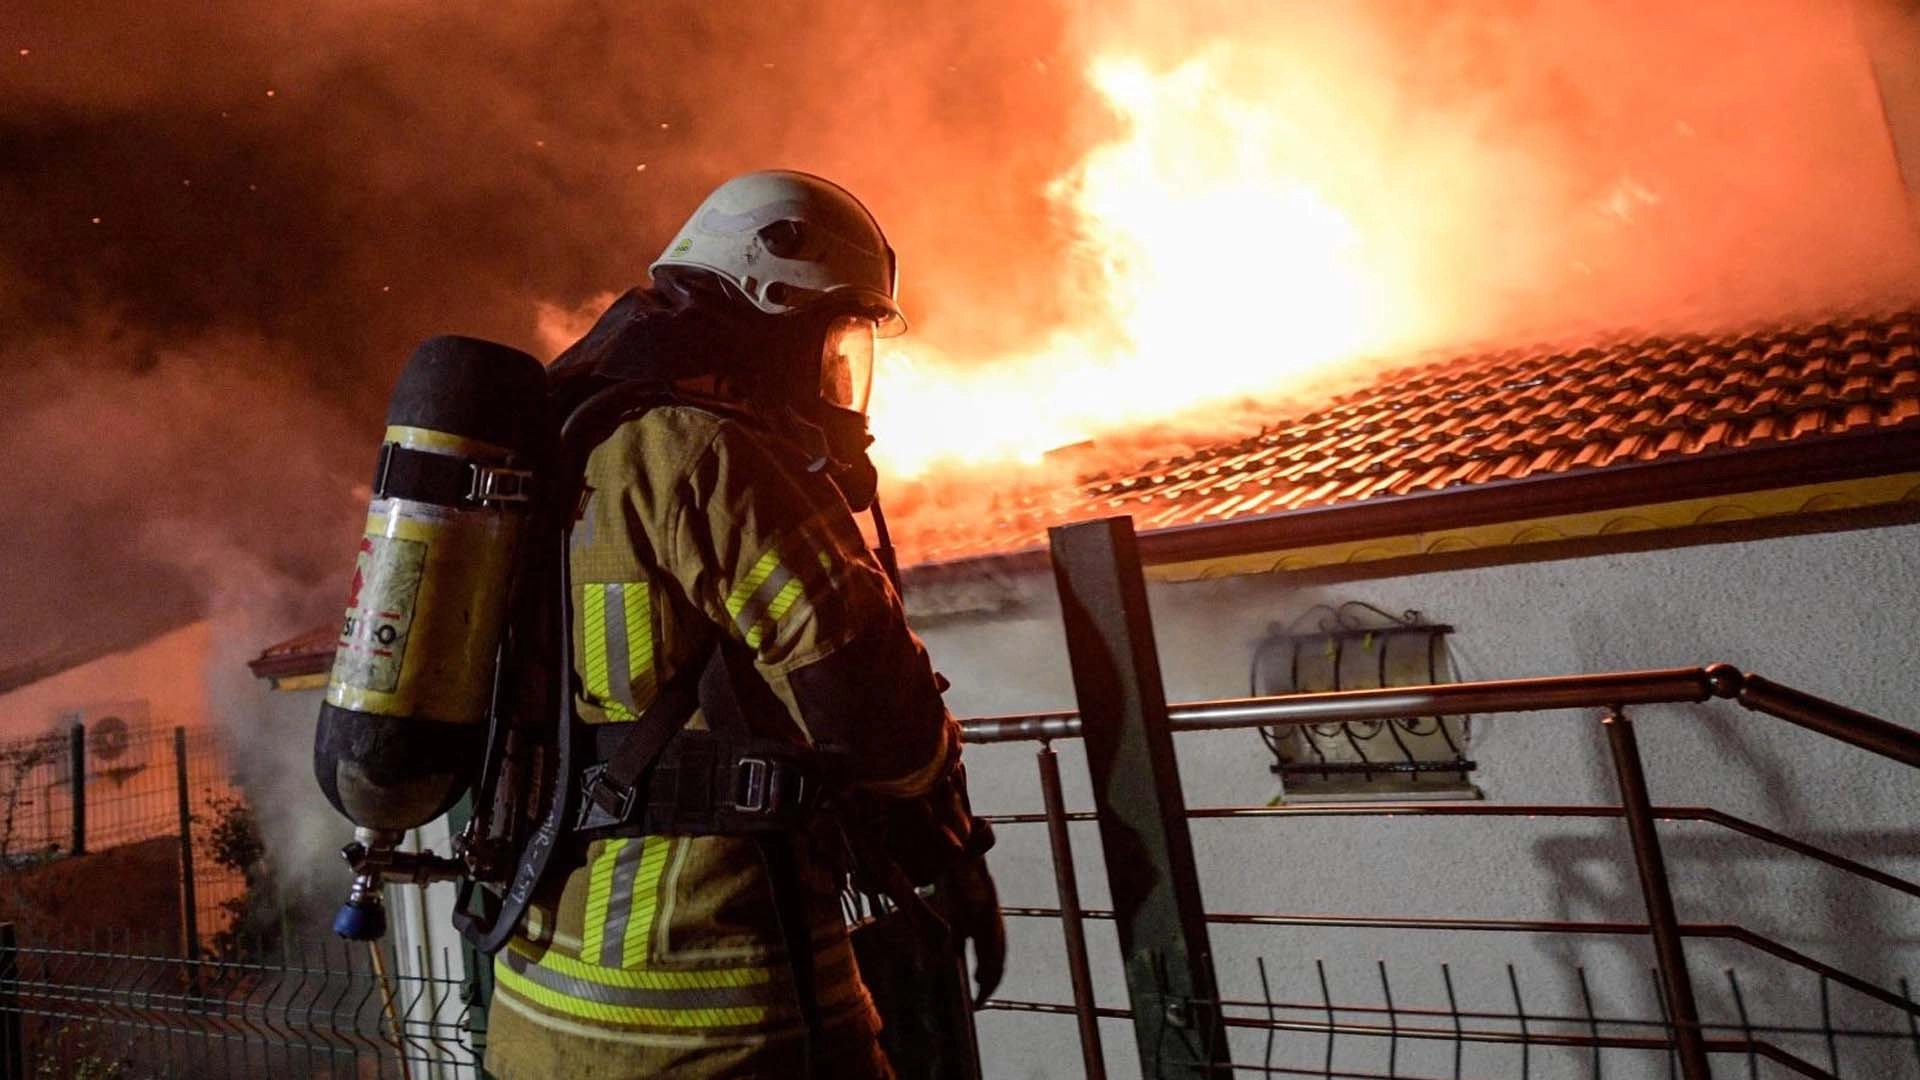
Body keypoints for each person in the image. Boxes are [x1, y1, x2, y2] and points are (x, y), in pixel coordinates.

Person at [483, 170, 1005, 1079]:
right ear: (779, 321)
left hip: (536, 1013)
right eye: (834, 339)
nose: (841, 378)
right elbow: (878, 718)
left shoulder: (562, 450)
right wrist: (953, 850)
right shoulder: (717, 456)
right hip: (726, 1027)